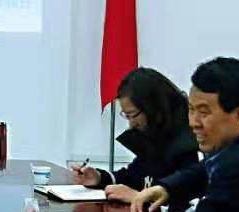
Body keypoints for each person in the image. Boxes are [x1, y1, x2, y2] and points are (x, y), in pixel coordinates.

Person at [129, 56, 239, 212]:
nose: (193, 123)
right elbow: (205, 169)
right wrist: (167, 189)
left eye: (203, 112)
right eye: (191, 110)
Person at [71, 67, 198, 204]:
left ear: (153, 107)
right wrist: (99, 178)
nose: (131, 124)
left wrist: (138, 197)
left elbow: (186, 203)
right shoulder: (154, 135)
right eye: (127, 116)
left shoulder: (188, 145)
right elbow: (133, 177)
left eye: (133, 115)